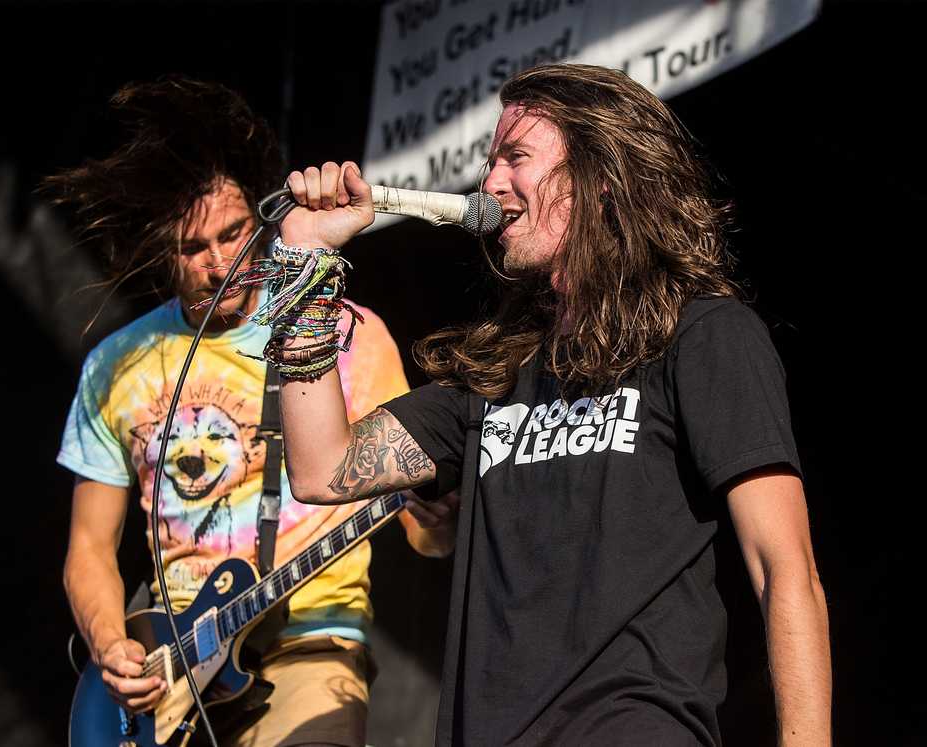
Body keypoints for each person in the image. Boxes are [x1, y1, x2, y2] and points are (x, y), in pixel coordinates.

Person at [266, 64, 830, 746]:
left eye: (515, 157)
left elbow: (784, 568)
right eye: (490, 163)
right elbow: (323, 466)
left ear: (598, 176)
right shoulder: (494, 377)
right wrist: (303, 263)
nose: (491, 184)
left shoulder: (704, 335)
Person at [49, 76, 458, 747]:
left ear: (261, 220)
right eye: (193, 248)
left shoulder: (347, 334)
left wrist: (436, 518)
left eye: (234, 234)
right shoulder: (117, 364)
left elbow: (424, 527)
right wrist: (109, 643)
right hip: (168, 664)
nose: (219, 263)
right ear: (163, 252)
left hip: (310, 634)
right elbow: (88, 547)